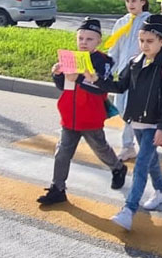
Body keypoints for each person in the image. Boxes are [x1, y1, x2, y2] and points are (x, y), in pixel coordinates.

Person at [91, 14, 162, 231]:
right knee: (150, 161)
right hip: (136, 122)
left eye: (150, 41)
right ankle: (161, 191)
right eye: (142, 40)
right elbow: (120, 86)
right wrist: (97, 81)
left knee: (141, 165)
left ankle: (129, 210)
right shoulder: (133, 63)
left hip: (153, 125)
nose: (145, 45)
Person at [37, 18, 128, 206]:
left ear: (98, 41)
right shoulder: (71, 58)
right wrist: (57, 75)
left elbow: (102, 87)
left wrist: (79, 78)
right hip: (69, 116)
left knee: (100, 148)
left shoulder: (104, 61)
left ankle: (118, 167)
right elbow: (64, 87)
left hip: (90, 116)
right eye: (81, 38)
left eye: (89, 39)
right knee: (62, 152)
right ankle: (58, 188)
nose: (84, 42)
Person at [106, 0, 162, 161]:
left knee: (131, 111)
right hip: (124, 74)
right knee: (122, 109)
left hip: (142, 75)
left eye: (134, 0)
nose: (130, 4)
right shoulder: (121, 23)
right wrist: (107, 70)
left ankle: (129, 146)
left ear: (143, 1)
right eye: (127, 1)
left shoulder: (149, 20)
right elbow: (114, 50)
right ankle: (142, 142)